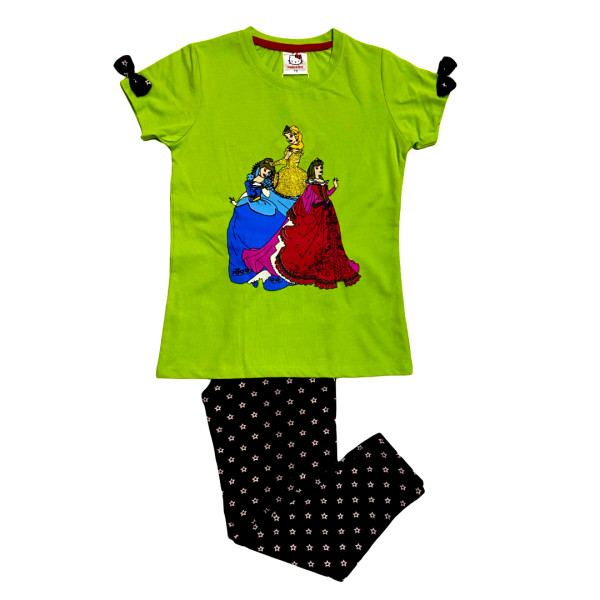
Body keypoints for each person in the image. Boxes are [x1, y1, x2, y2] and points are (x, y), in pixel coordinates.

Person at [244, 158, 361, 289]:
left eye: (321, 168)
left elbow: (326, 194)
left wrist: (334, 187)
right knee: (312, 241)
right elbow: (307, 200)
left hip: (327, 213)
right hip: (317, 214)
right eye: (317, 168)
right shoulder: (310, 184)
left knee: (329, 241)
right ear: (313, 170)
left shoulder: (322, 182)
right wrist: (308, 211)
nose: (320, 170)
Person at [227, 158, 298, 286]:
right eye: (265, 170)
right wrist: (238, 202)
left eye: (268, 172)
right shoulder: (251, 180)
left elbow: (269, 194)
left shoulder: (268, 184)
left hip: (266, 202)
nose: (266, 173)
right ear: (260, 168)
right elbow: (249, 194)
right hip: (255, 202)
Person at [272, 125, 308, 197]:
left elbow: (284, 160)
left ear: (296, 136)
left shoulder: (291, 149)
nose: (289, 139)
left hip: (289, 172)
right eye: (287, 137)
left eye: (291, 136)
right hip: (297, 172)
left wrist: (273, 164)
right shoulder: (298, 148)